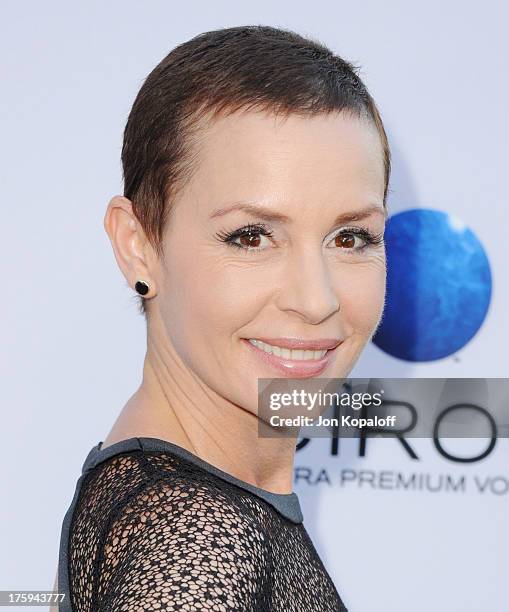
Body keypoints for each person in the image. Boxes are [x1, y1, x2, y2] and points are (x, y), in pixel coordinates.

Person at [53, 24, 390, 611]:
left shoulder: (197, 509)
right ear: (138, 245)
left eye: (352, 237)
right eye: (251, 236)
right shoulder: (196, 539)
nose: (317, 300)